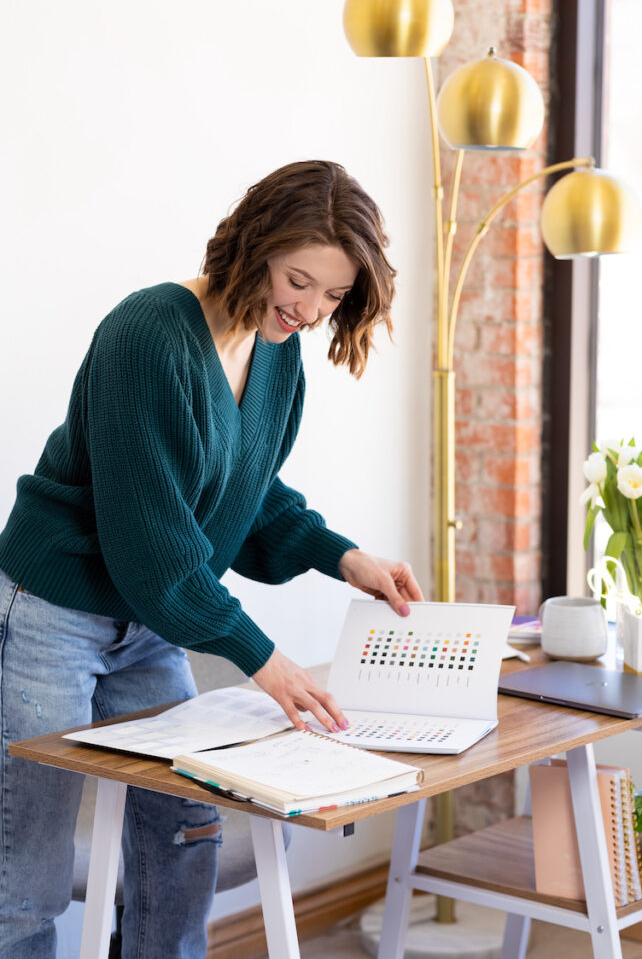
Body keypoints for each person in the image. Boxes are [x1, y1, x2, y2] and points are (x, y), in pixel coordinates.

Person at [0, 159, 424, 958]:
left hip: (146, 618)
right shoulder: (150, 334)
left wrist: (345, 557)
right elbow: (154, 549)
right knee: (27, 868)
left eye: (332, 297)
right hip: (54, 610)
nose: (308, 310)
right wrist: (263, 659)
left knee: (185, 827)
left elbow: (244, 489)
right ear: (255, 246)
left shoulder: (274, 351)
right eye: (298, 281)